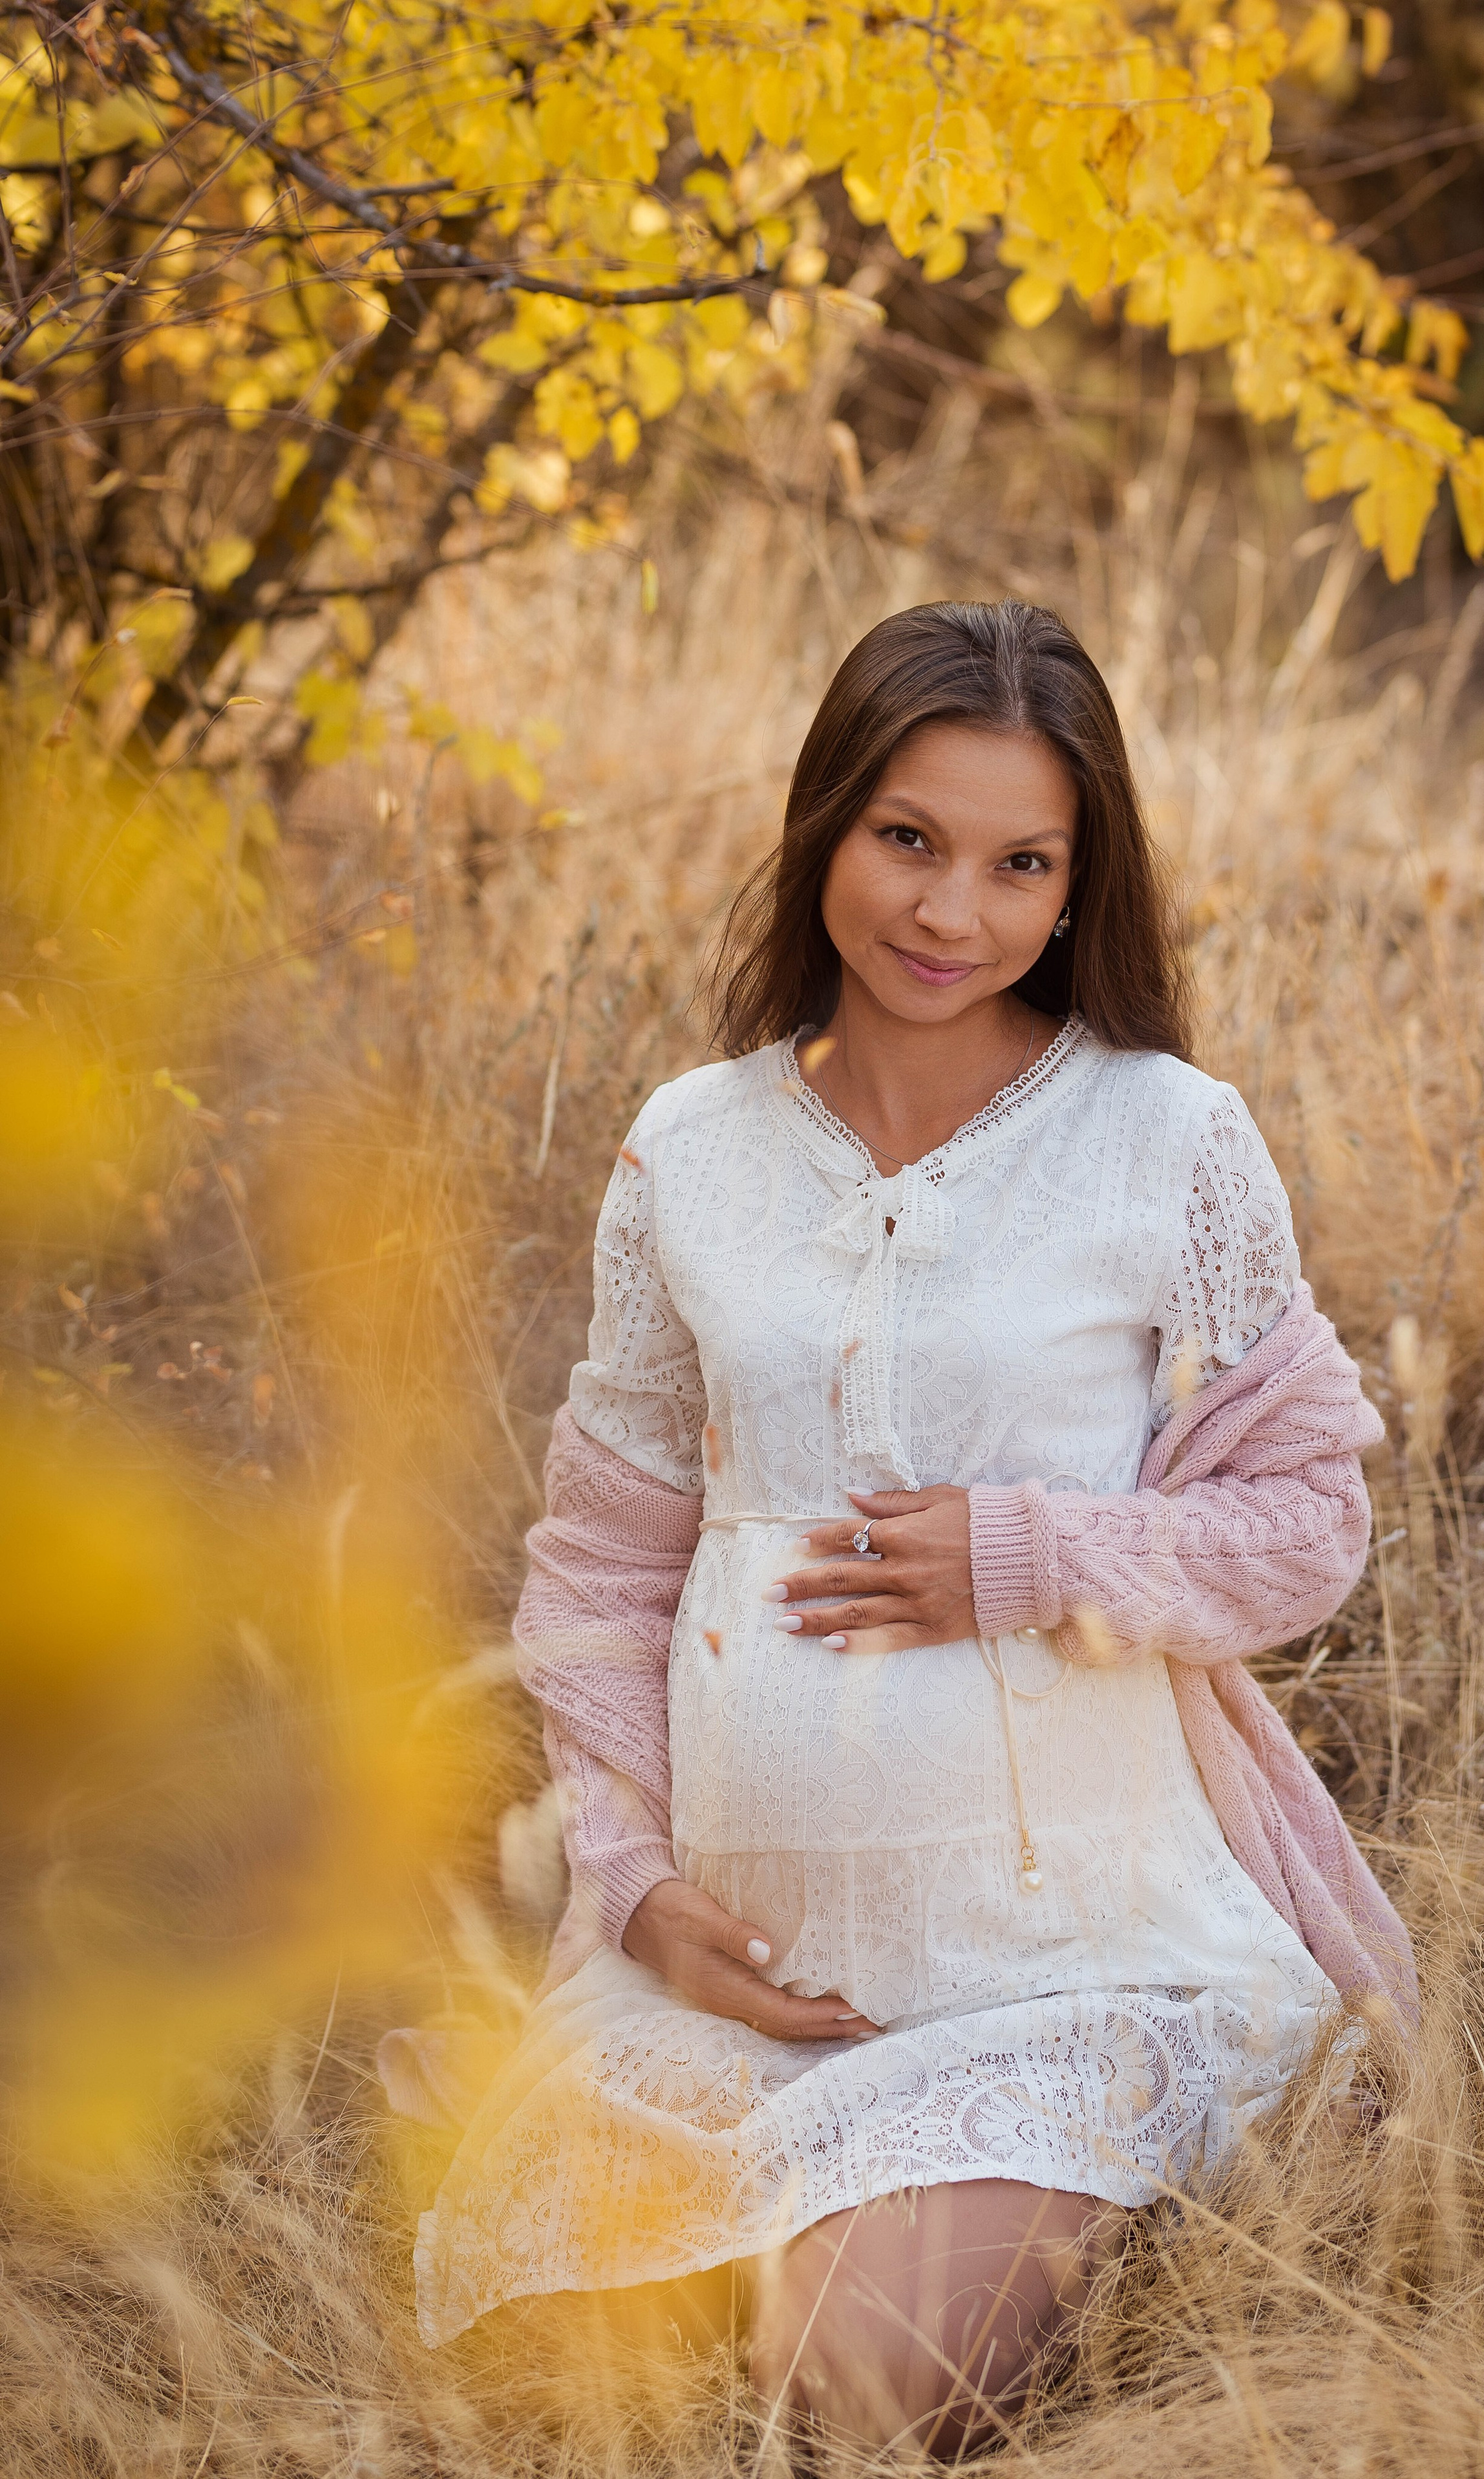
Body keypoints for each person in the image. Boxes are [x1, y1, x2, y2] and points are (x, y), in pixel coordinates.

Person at [401, 600, 1413, 2453]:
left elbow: (1305, 1521)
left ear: (1076, 883)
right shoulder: (688, 1149)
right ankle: (802, 2187)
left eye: (1022, 864)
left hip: (1059, 1962)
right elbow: (599, 1571)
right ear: (826, 830)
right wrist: (633, 1888)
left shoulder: (1164, 1137)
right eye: (910, 841)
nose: (954, 913)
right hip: (748, 1968)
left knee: (856, 2381)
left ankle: (1081, 2185)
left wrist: (1035, 1557)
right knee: (544, 2381)